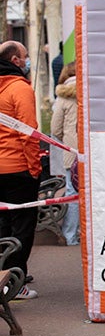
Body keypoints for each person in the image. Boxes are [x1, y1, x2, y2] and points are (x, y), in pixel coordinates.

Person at [0, 41, 40, 299]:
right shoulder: (19, 88)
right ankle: (15, 281)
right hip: (18, 168)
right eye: (25, 57)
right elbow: (29, 132)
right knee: (23, 226)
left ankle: (5, 276)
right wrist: (35, 169)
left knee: (3, 225)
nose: (27, 61)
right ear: (16, 61)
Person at [50, 61, 80, 246]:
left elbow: (55, 128)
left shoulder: (63, 97)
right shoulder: (93, 92)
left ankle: (70, 235)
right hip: (94, 150)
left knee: (72, 191)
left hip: (72, 151)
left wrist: (69, 140)